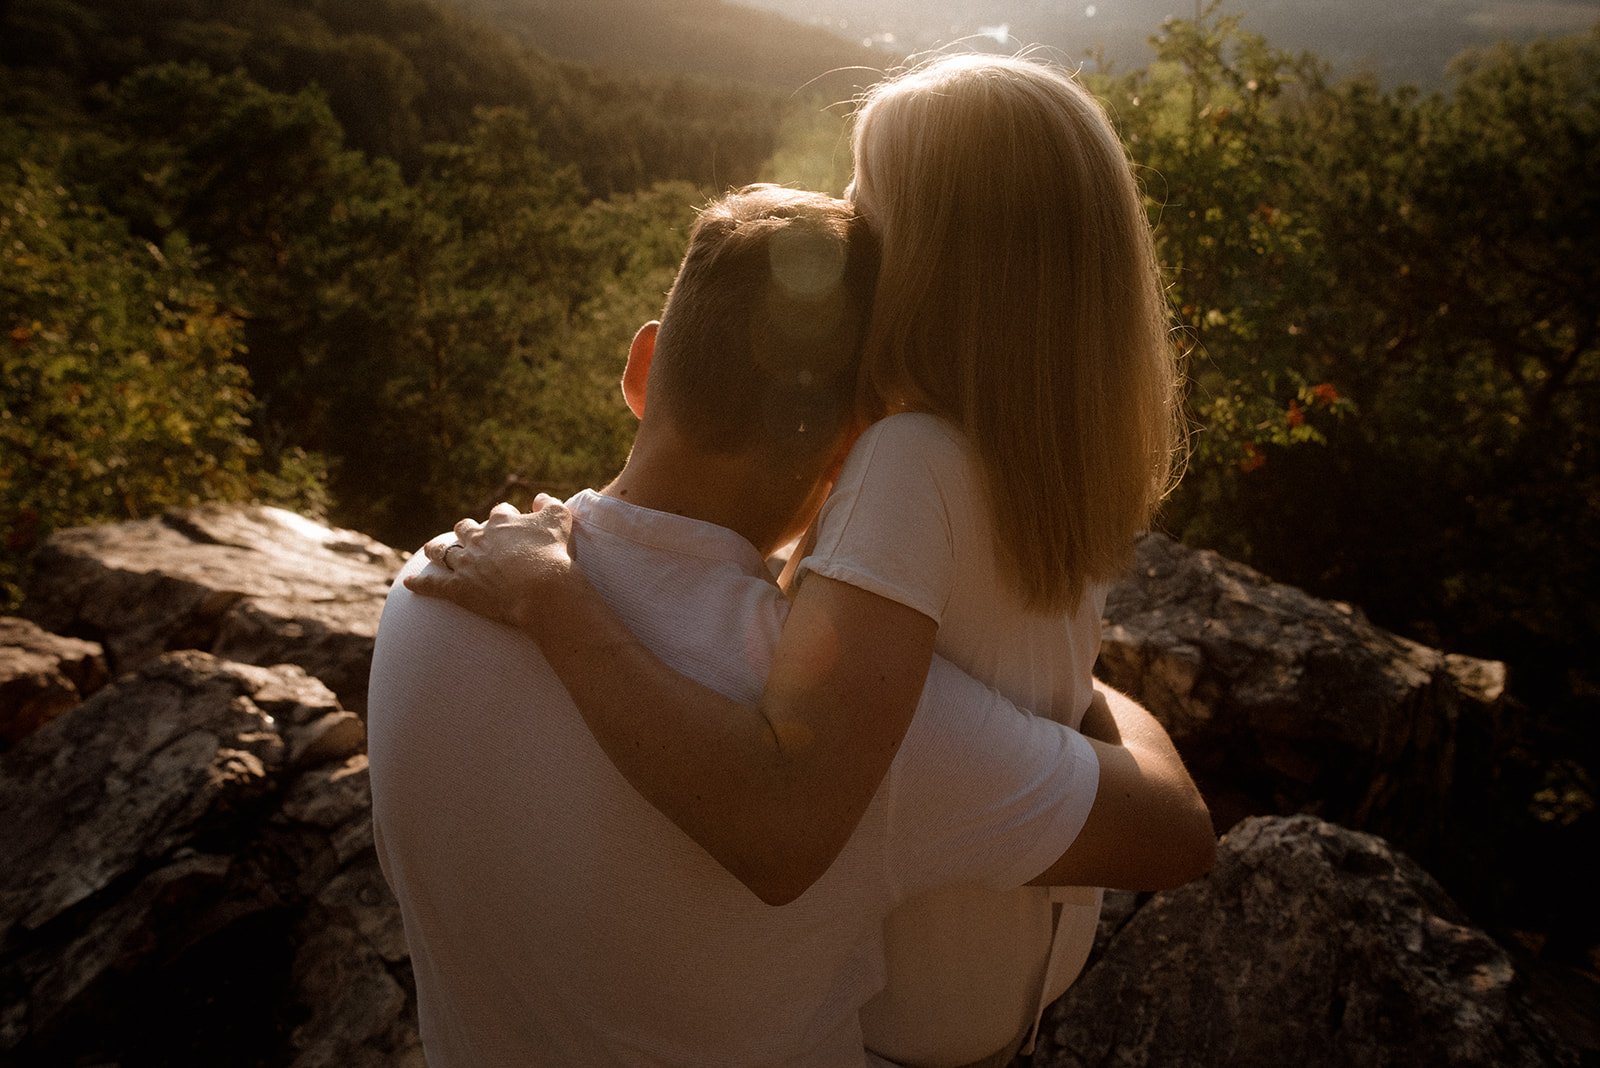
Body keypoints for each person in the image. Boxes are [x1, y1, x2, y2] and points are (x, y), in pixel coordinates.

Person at [417, 53, 1187, 1067]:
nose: (844, 223)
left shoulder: (908, 463)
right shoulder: (1042, 456)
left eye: (867, 207)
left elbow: (783, 810)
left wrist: (554, 593)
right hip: (1007, 988)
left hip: (904, 1025)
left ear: (937, 259)